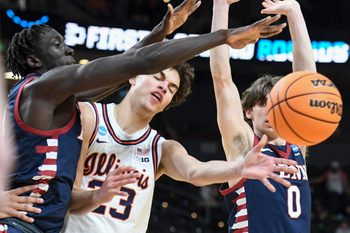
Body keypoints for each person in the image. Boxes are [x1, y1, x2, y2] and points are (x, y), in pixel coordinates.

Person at [0, 0, 293, 232]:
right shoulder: (57, 98)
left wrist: (159, 33)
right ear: (33, 60)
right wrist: (224, 37)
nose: (69, 48)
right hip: (21, 226)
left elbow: (194, 171)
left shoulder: (64, 104)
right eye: (57, 45)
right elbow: (134, 63)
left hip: (40, 227)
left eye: (171, 87)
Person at [62, 61, 297, 233]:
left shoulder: (161, 148)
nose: (164, 87)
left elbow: (196, 172)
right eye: (158, 77)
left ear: (167, 104)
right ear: (133, 77)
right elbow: (61, 196)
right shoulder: (89, 116)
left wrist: (239, 167)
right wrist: (98, 195)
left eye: (171, 88)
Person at [209, 0, 316, 232]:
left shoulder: (297, 146)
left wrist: (294, 12)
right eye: (264, 104)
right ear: (248, 112)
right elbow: (222, 79)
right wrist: (220, 6)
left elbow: (306, 83)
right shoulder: (244, 144)